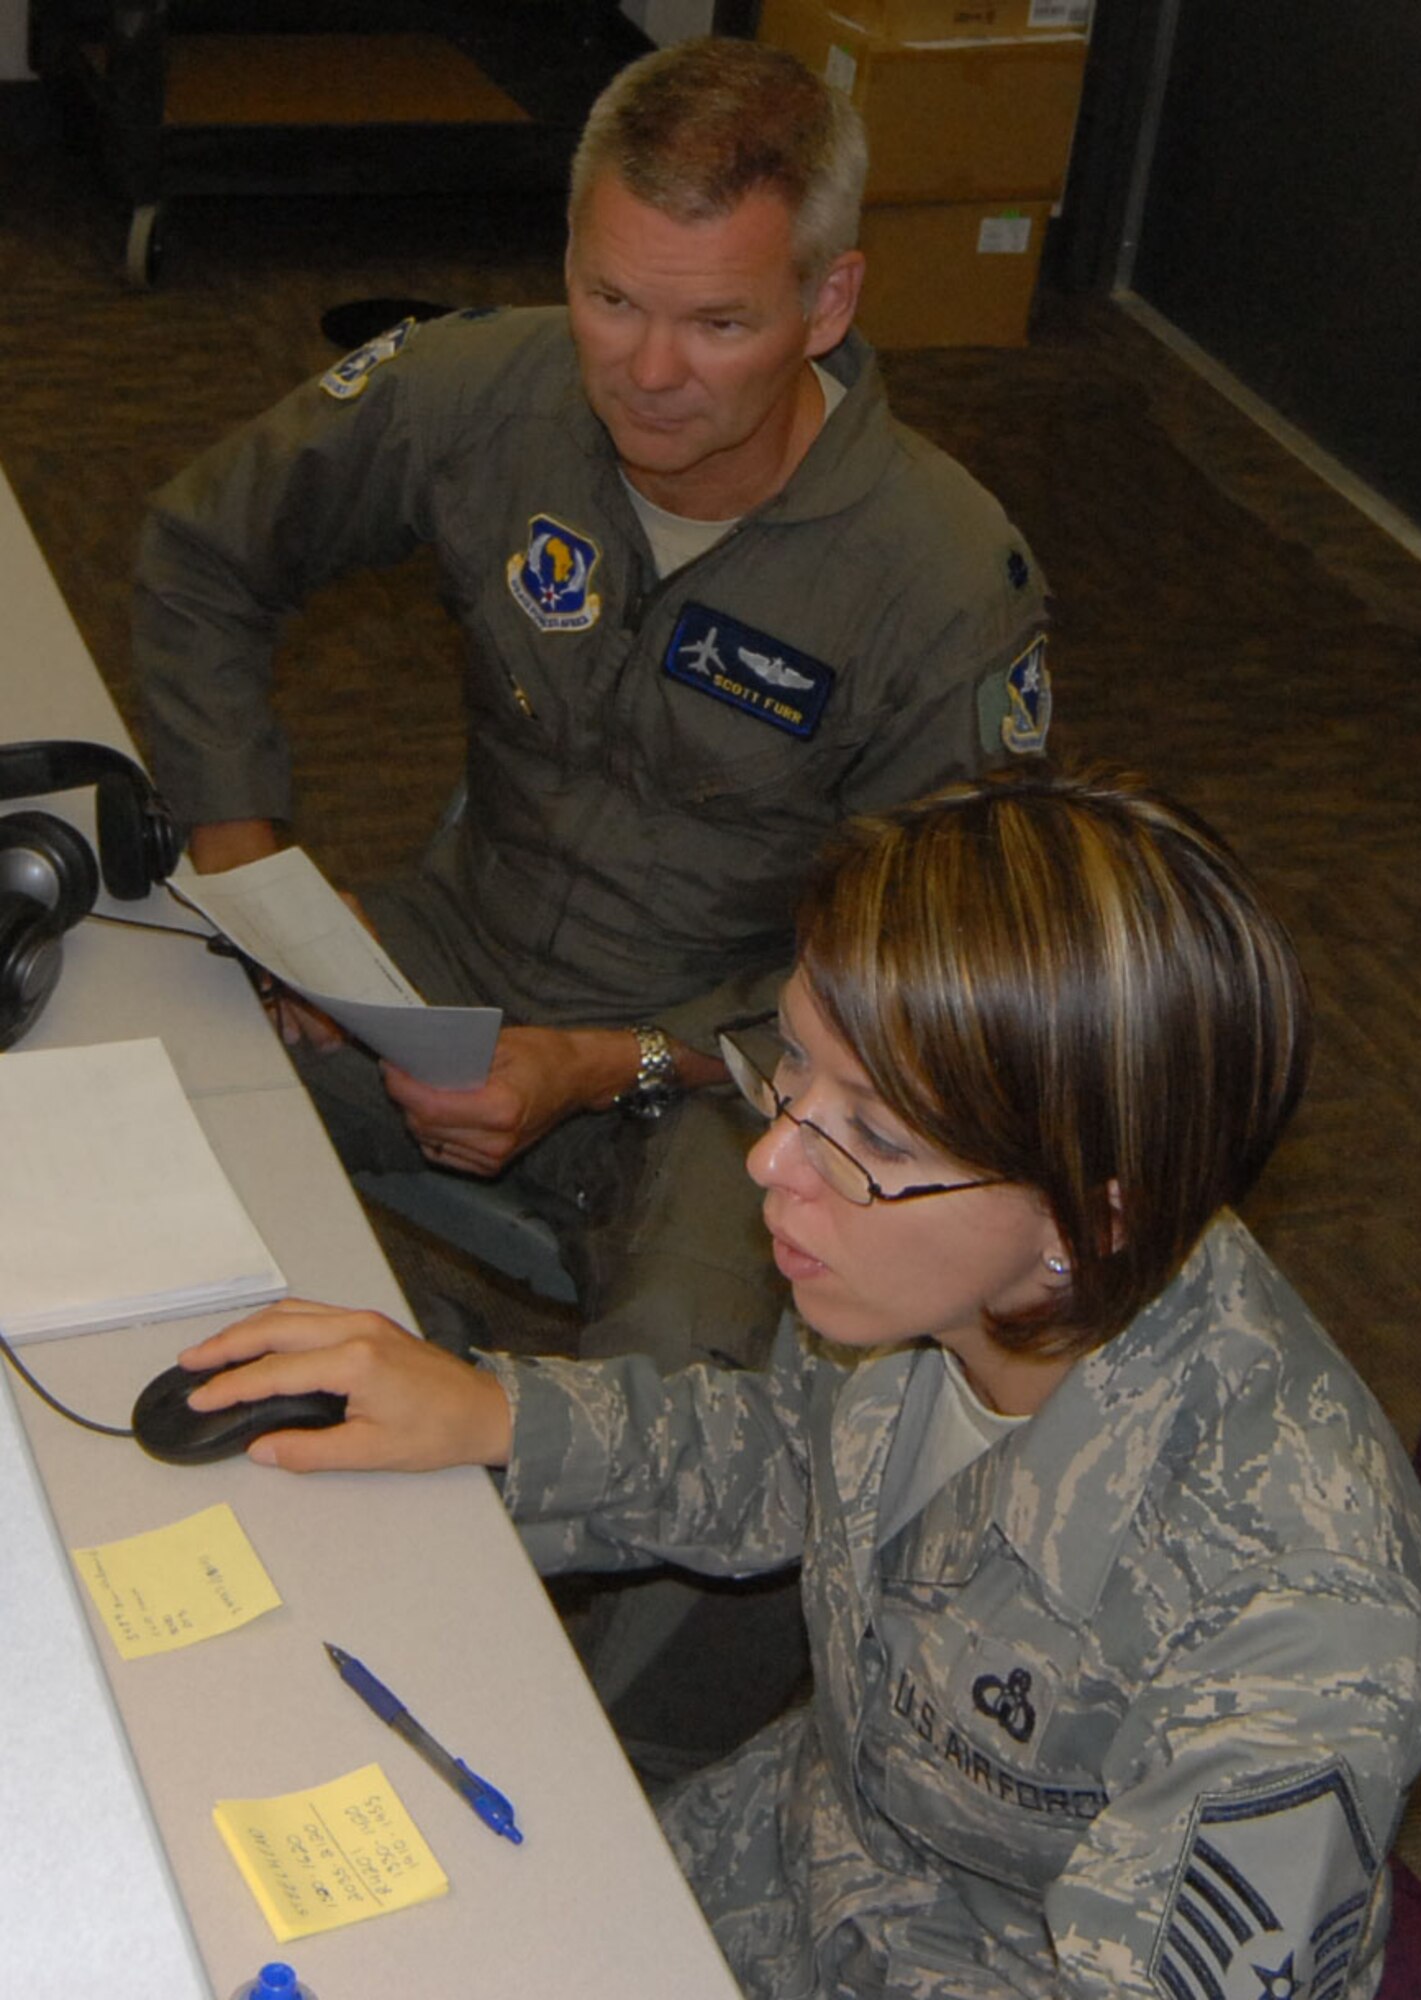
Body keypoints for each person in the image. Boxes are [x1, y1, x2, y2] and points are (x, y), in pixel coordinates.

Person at [179, 761, 1421, 2000]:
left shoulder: (1301, 1619)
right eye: (794, 1065)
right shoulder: (932, 1268)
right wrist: (501, 1413)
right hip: (779, 1863)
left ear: (1091, 1214)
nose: (774, 1158)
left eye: (875, 1134)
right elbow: (809, 1446)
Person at [132, 35, 1051, 1370]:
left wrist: (610, 1063)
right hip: (451, 956)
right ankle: (404, 1361)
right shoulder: (480, 394)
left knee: (689, 1388)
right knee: (129, 1078)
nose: (647, 370)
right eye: (609, 298)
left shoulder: (943, 584)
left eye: (718, 323)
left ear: (829, 301)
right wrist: (249, 867)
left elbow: (940, 978)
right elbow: (204, 552)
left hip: (739, 1072)